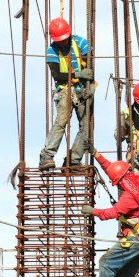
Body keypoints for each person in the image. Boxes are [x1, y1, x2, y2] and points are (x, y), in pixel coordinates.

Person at [40, 18, 93, 170]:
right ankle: (46, 156)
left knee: (86, 127)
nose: (62, 43)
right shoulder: (52, 50)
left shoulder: (80, 43)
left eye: (64, 39)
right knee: (61, 122)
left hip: (81, 90)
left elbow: (89, 61)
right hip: (64, 90)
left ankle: (73, 160)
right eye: (59, 40)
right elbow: (57, 75)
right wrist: (78, 74)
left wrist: (88, 78)